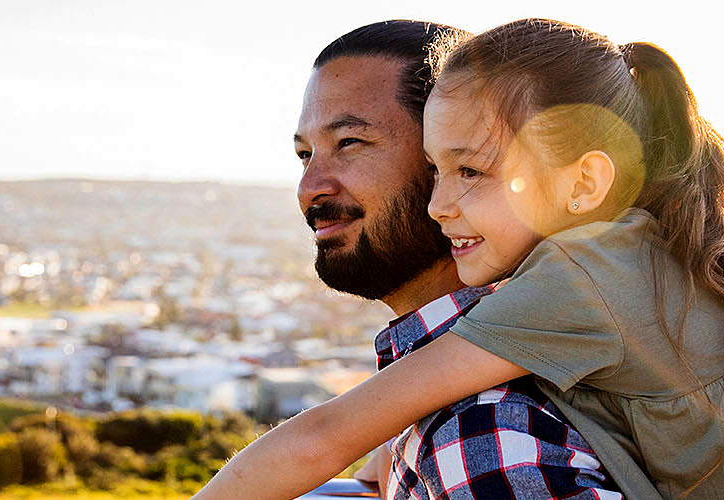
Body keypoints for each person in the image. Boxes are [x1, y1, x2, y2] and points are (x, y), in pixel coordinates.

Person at [202, 18, 724, 499]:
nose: (443, 205)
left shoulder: (572, 294)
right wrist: (391, 448)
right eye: (439, 170)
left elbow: (322, 437)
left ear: (585, 180)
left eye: (470, 170)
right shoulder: (667, 260)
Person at [193, 20, 620, 500]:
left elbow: (320, 442)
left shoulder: (479, 431)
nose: (309, 187)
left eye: (349, 142)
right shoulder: (444, 402)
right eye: (305, 153)